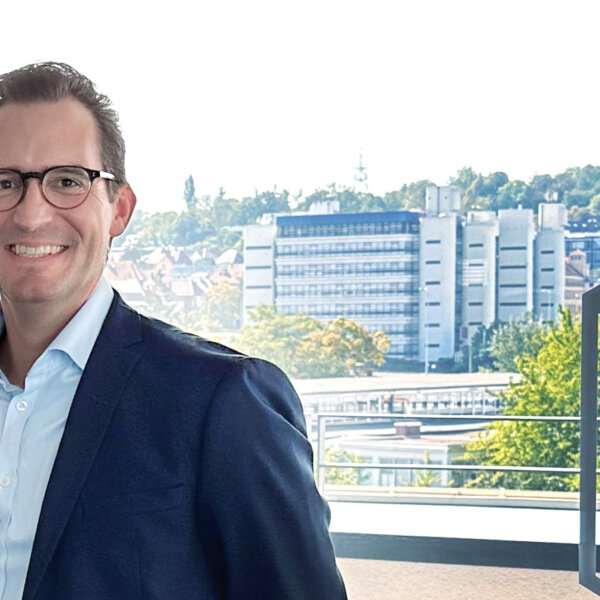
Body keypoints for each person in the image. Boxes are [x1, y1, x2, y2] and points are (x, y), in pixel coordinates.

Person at [0, 62, 347, 600]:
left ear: (119, 210)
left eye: (67, 181)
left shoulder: (224, 402)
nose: (30, 215)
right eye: (4, 183)